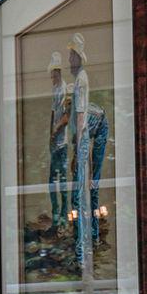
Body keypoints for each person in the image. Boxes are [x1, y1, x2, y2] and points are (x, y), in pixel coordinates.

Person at [67, 32, 109, 276]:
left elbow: (82, 120)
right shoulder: (78, 82)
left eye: (72, 55)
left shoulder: (81, 80)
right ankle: (90, 240)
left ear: (78, 57)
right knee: (86, 190)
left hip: (91, 130)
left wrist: (78, 152)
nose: (69, 60)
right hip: (89, 129)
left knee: (82, 193)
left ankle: (83, 253)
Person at [46, 52, 70, 230]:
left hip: (62, 143)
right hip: (55, 143)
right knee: (52, 182)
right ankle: (56, 216)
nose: (52, 77)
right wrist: (50, 134)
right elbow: (53, 113)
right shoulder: (55, 90)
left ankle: (63, 216)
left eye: (54, 74)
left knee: (61, 181)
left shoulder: (65, 89)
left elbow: (66, 116)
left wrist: (55, 131)